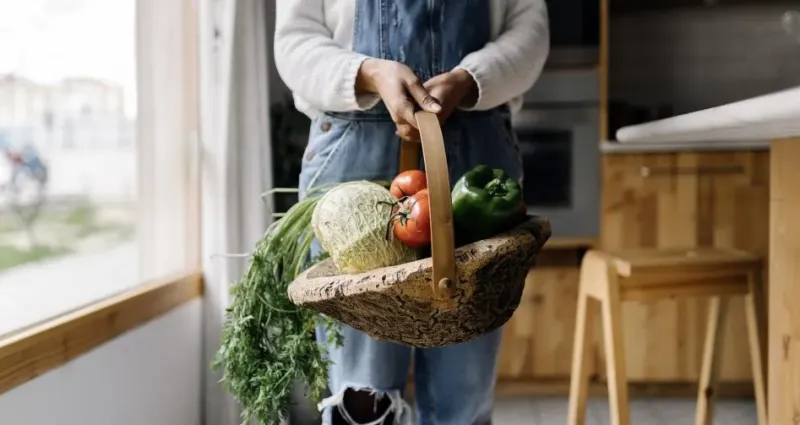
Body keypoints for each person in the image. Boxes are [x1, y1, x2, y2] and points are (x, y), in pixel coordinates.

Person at [274, 1, 549, 424]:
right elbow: (294, 41)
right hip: (353, 155)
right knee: (360, 398)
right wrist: (369, 73)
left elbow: (530, 29)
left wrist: (470, 78)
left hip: (474, 153)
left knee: (464, 390)